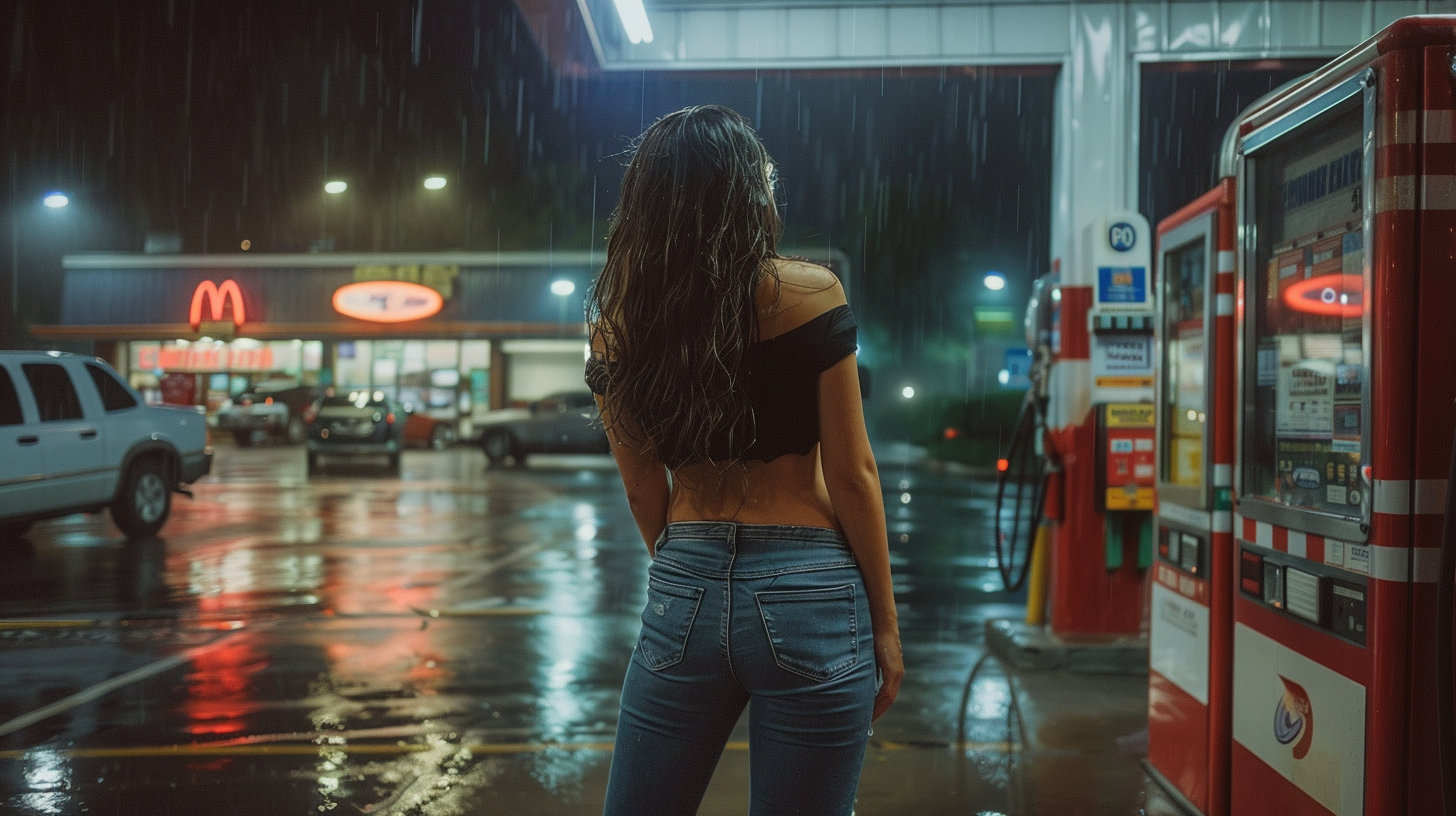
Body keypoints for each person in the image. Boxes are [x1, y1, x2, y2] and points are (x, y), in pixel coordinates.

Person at [585, 104, 903, 816]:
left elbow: (643, 493)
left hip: (684, 576)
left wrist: (688, 573)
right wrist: (884, 621)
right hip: (812, 587)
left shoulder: (617, 327)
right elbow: (854, 475)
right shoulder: (810, 293)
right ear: (745, 191)